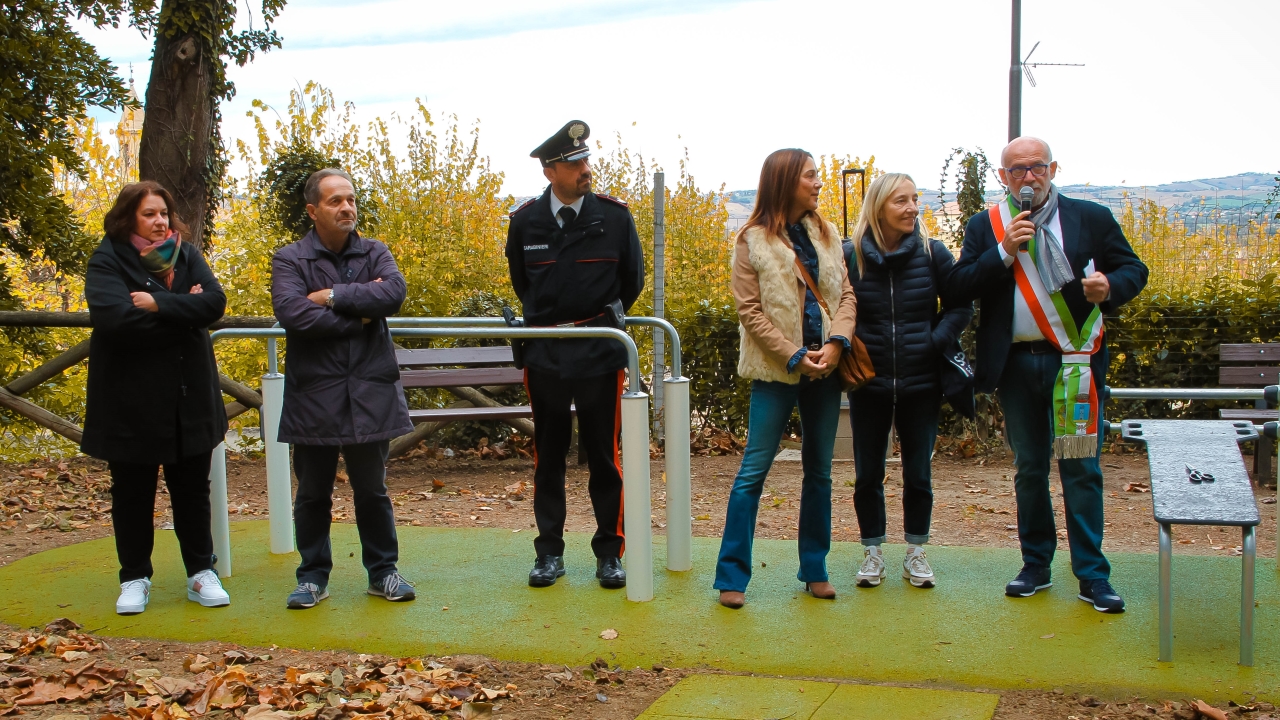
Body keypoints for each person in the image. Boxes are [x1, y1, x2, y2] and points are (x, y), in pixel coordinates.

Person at [948, 137, 1148, 613]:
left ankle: (1092, 576)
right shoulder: (988, 225)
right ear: (1004, 177)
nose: (1028, 177)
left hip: (1073, 367)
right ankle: (1035, 565)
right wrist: (1001, 253)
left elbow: (1133, 270)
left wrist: (1108, 287)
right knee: (1031, 469)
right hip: (1016, 368)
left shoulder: (1090, 218)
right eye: (1017, 170)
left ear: (1053, 168)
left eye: (1036, 167)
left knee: (1079, 466)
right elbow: (957, 286)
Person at [713, 148, 856, 609]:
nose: (818, 183)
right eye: (811, 176)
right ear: (786, 181)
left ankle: (815, 568)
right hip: (776, 373)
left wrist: (836, 344)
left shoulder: (827, 233)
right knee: (752, 472)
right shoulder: (751, 239)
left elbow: (847, 296)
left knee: (819, 472)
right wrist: (795, 355)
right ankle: (731, 576)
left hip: (827, 371)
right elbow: (749, 311)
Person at [505, 120, 644, 589]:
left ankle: (610, 553)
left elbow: (632, 283)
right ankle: (549, 554)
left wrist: (595, 321)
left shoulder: (615, 217)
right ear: (550, 172)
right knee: (549, 456)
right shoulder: (525, 221)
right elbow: (522, 284)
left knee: (604, 457)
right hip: (545, 352)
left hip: (599, 353)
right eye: (574, 163)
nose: (585, 169)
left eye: (586, 160)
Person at [82, 181, 231, 615]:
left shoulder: (186, 254)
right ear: (129, 217)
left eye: (163, 213)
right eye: (150, 214)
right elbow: (116, 320)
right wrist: (184, 308)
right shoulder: (108, 259)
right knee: (132, 492)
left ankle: (201, 573)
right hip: (131, 401)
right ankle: (134, 578)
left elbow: (215, 304)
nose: (160, 221)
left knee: (192, 490)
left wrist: (158, 304)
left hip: (190, 397)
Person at [271, 168, 416, 609]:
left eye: (350, 199)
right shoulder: (290, 259)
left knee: (372, 491)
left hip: (370, 392)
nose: (347, 207)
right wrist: (360, 312)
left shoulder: (376, 252)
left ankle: (383, 573)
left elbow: (392, 294)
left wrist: (330, 295)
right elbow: (295, 315)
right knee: (313, 493)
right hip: (313, 395)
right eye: (335, 201)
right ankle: (312, 577)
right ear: (314, 210)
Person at [842, 173, 972, 590]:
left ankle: (916, 551)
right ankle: (872, 552)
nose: (913, 208)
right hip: (869, 383)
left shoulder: (933, 253)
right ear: (879, 207)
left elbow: (960, 306)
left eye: (915, 199)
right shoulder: (849, 256)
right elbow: (832, 308)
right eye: (902, 201)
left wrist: (933, 343)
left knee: (919, 473)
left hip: (922, 384)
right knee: (867, 473)